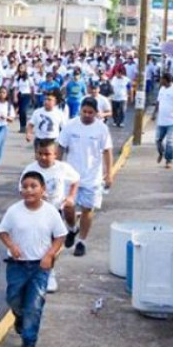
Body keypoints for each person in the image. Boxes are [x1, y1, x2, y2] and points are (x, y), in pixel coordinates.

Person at [0, 171, 68, 347]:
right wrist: (11, 246)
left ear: (43, 189)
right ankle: (19, 319)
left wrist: (49, 255)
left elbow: (60, 236)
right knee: (13, 298)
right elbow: (3, 231)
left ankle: (29, 339)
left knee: (34, 304)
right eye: (25, 186)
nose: (29, 190)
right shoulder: (14, 211)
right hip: (17, 264)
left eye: (33, 186)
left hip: (40, 266)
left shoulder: (50, 212)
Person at [20, 139, 80, 293]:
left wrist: (71, 196)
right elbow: (21, 189)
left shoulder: (62, 168)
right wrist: (33, 196)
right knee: (46, 243)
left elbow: (75, 180)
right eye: (40, 154)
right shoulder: (30, 170)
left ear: (55, 154)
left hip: (57, 208)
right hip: (39, 212)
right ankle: (49, 273)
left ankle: (73, 229)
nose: (43, 157)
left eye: (47, 154)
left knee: (68, 212)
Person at [58, 97, 114, 258]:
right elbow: (61, 147)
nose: (87, 115)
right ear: (80, 110)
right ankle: (72, 229)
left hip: (92, 177)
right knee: (67, 208)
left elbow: (107, 151)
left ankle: (82, 241)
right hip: (71, 176)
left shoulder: (101, 129)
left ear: (96, 113)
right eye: (85, 111)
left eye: (91, 112)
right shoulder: (70, 126)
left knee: (87, 210)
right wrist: (56, 168)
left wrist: (109, 173)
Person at [152, 72, 173, 169]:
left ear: (166, 80)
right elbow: (158, 102)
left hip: (172, 120)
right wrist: (154, 113)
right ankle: (161, 153)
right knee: (158, 140)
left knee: (169, 142)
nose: (160, 81)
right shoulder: (162, 89)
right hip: (161, 120)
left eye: (162, 79)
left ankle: (169, 160)